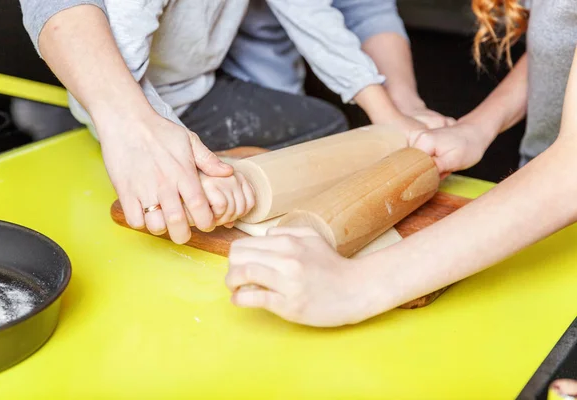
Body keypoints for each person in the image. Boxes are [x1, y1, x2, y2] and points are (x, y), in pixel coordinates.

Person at [225, 0, 577, 327]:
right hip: (538, 196)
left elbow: (569, 172)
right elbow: (559, 45)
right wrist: (479, 126)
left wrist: (357, 284)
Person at [19, 0, 425, 245]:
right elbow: (119, 80)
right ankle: (223, 163)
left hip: (198, 88)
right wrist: (190, 165)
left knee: (328, 123)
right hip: (142, 103)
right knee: (201, 182)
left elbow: (314, 18)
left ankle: (226, 162)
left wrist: (387, 114)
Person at [221, 0, 454, 129]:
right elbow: (307, 12)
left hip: (271, 63)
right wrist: (387, 114)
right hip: (203, 77)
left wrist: (407, 105)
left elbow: (367, 9)